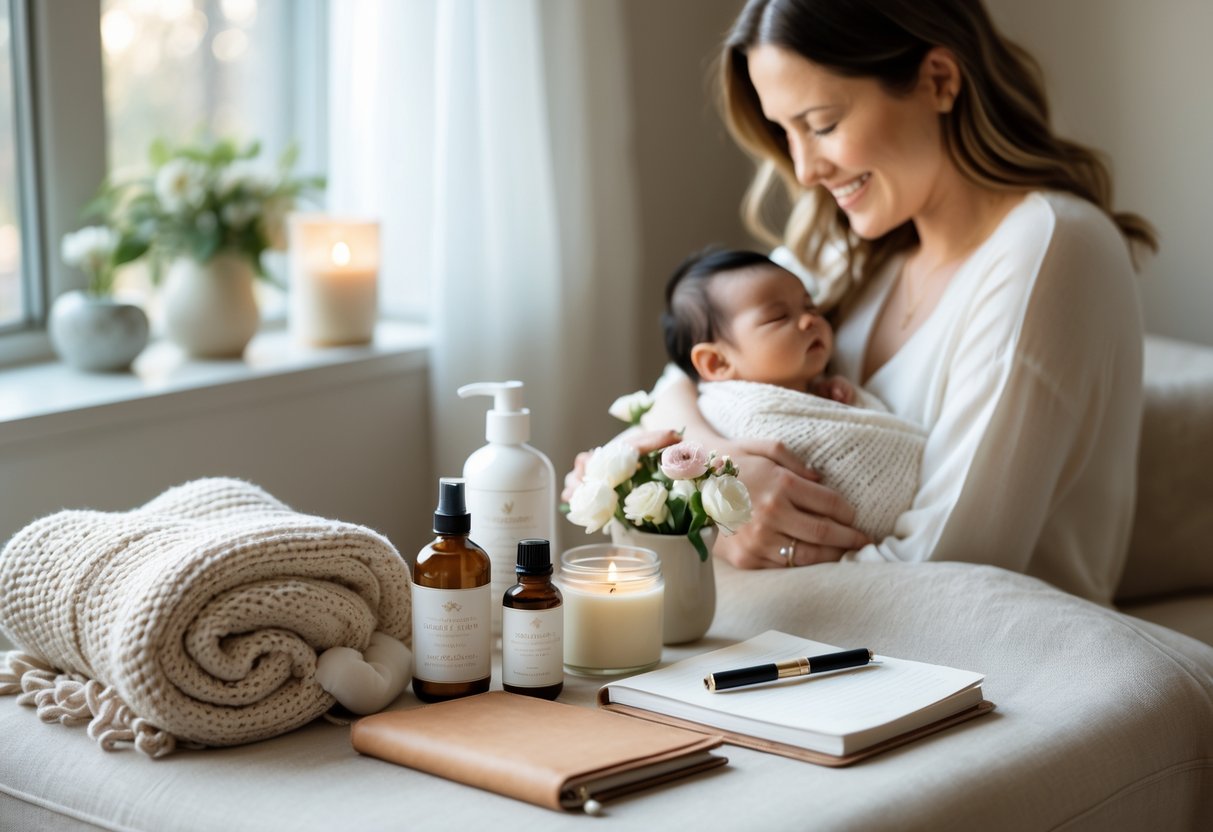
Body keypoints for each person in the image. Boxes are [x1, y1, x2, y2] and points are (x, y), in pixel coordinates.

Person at [641, 0, 1157, 603]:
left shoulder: (1051, 244)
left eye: (823, 123)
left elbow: (947, 565)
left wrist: (722, 512)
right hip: (830, 625)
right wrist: (725, 476)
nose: (805, 169)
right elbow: (683, 374)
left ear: (938, 81)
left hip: (991, 657)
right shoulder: (850, 247)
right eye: (785, 131)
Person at [663, 245, 927, 545]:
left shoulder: (814, 383)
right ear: (717, 363)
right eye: (778, 317)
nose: (809, 321)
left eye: (810, 307)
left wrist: (832, 396)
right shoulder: (732, 408)